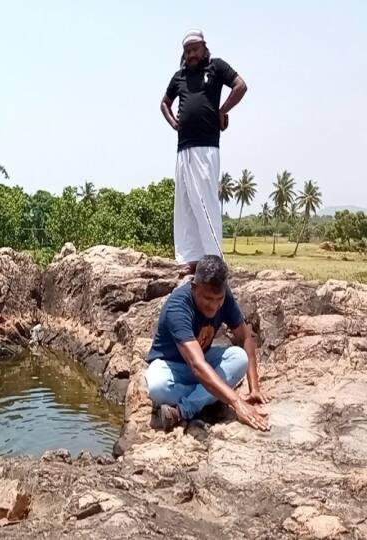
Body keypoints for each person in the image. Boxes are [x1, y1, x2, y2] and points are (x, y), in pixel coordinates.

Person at [144, 255, 271, 431]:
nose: (214, 306)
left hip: (204, 362)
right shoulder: (178, 307)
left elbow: (244, 337)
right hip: (172, 366)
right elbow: (196, 364)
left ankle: (183, 409)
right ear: (195, 288)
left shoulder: (225, 297)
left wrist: (254, 388)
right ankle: (208, 397)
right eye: (208, 299)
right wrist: (237, 402)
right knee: (158, 388)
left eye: (219, 299)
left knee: (239, 358)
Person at [160, 30, 248, 273]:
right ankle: (191, 259)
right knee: (186, 202)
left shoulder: (216, 67)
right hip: (183, 147)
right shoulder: (179, 77)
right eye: (187, 51)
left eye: (195, 49)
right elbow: (164, 103)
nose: (191, 55)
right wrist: (173, 122)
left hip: (206, 146)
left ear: (204, 48)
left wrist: (222, 110)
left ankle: (214, 260)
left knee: (205, 202)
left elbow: (241, 85)